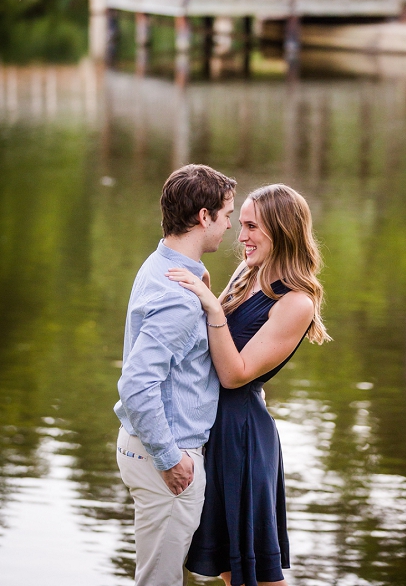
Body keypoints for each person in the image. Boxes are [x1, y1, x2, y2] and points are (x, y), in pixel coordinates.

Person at [167, 183, 330, 586]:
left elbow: (235, 372)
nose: (240, 237)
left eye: (252, 226)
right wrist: (204, 290)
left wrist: (208, 301)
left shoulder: (297, 302)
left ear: (282, 229)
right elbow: (213, 340)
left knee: (255, 574)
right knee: (229, 566)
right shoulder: (248, 271)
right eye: (239, 225)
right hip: (213, 428)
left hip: (242, 437)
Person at [114, 164, 237, 586]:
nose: (229, 227)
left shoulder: (161, 265)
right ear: (204, 217)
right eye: (226, 216)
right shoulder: (178, 298)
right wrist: (171, 459)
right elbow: (136, 383)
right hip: (164, 455)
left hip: (143, 448)